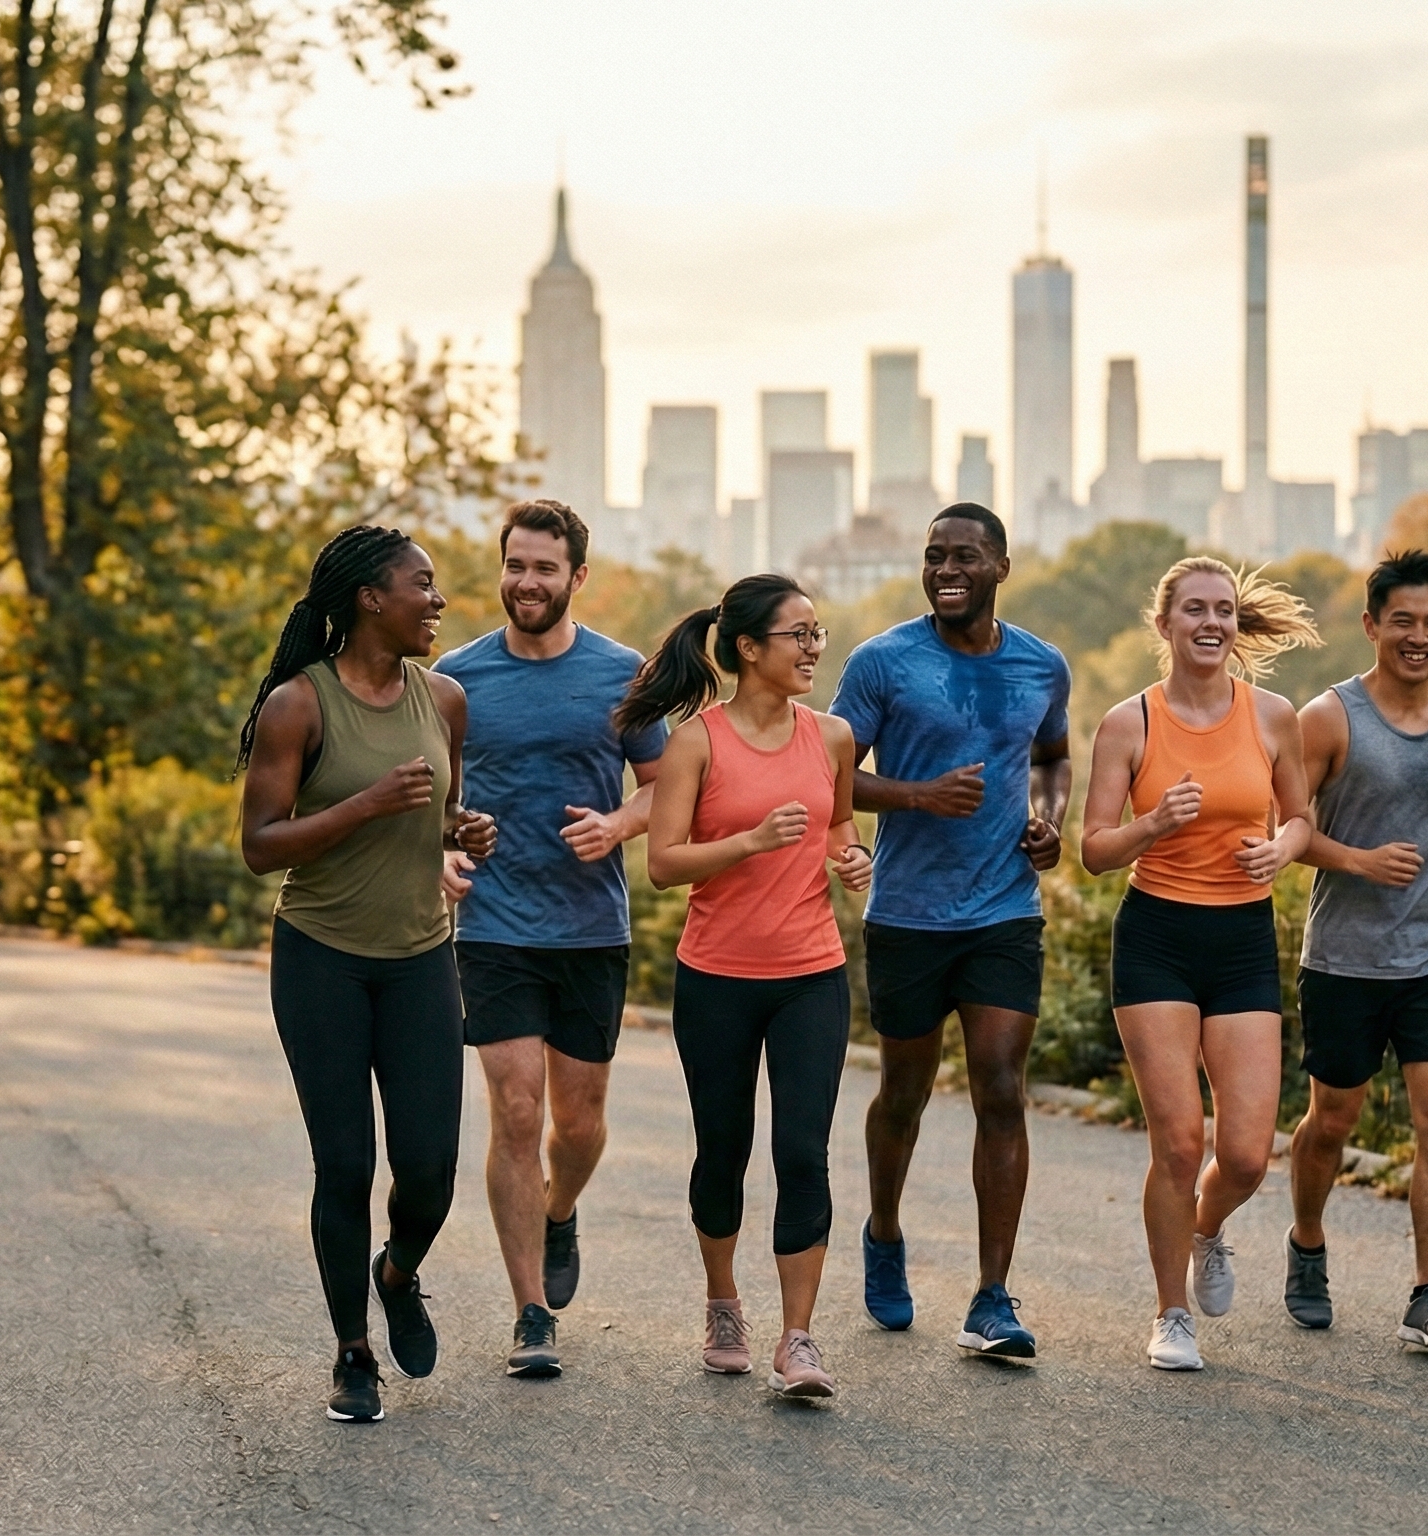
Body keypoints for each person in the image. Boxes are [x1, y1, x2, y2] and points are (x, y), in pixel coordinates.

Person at [236, 523, 499, 1425]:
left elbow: (442, 810)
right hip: (322, 961)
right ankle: (352, 1349)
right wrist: (367, 802)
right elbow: (259, 847)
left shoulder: (448, 700)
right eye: (422, 585)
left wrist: (465, 830)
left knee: (429, 1167)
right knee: (344, 1165)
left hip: (423, 957)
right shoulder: (296, 707)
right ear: (370, 599)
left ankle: (399, 1271)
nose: (439, 601)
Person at [614, 574, 873, 1401]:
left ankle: (797, 1339)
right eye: (796, 634)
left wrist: (849, 857)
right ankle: (724, 1305)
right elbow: (662, 864)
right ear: (749, 648)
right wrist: (752, 841)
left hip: (810, 975)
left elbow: (836, 824)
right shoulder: (697, 741)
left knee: (803, 1153)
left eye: (816, 631)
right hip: (717, 975)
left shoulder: (832, 736)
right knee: (722, 1152)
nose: (812, 647)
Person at [829, 503, 1070, 1356]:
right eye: (934, 557)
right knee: (904, 1091)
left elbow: (1050, 758)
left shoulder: (1042, 664)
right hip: (909, 913)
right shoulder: (883, 662)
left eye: (964, 556)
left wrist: (1049, 821)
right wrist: (918, 796)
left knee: (1002, 1085)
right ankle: (884, 1234)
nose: (945, 570)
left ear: (1001, 565)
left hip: (1005, 909)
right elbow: (829, 776)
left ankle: (992, 1295)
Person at [434, 500, 667, 1379]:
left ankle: (560, 1207)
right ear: (501, 570)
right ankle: (531, 1312)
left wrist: (617, 826)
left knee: (580, 1123)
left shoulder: (621, 674)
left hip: (589, 929)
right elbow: (433, 804)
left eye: (545, 568)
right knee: (516, 1111)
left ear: (577, 578)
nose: (527, 582)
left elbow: (662, 787)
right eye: (516, 565)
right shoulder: (456, 681)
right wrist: (445, 857)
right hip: (494, 926)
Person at [1080, 556, 1318, 1371]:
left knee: (1248, 1153)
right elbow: (1094, 851)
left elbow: (1301, 821)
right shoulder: (1130, 723)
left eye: (1223, 610)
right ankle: (1170, 1313)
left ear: (1235, 624)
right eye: (1194, 610)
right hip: (1157, 940)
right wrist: (1153, 824)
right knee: (1179, 1142)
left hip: (1243, 939)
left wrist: (1281, 853)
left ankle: (1206, 1229)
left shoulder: (1272, 715)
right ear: (1166, 625)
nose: (1210, 623)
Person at [1283, 550, 1428, 1350]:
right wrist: (1359, 861)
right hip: (1344, 956)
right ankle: (1307, 1242)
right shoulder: (1329, 718)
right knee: (1332, 1119)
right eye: (1401, 621)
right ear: (1372, 624)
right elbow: (1289, 828)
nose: (1418, 636)